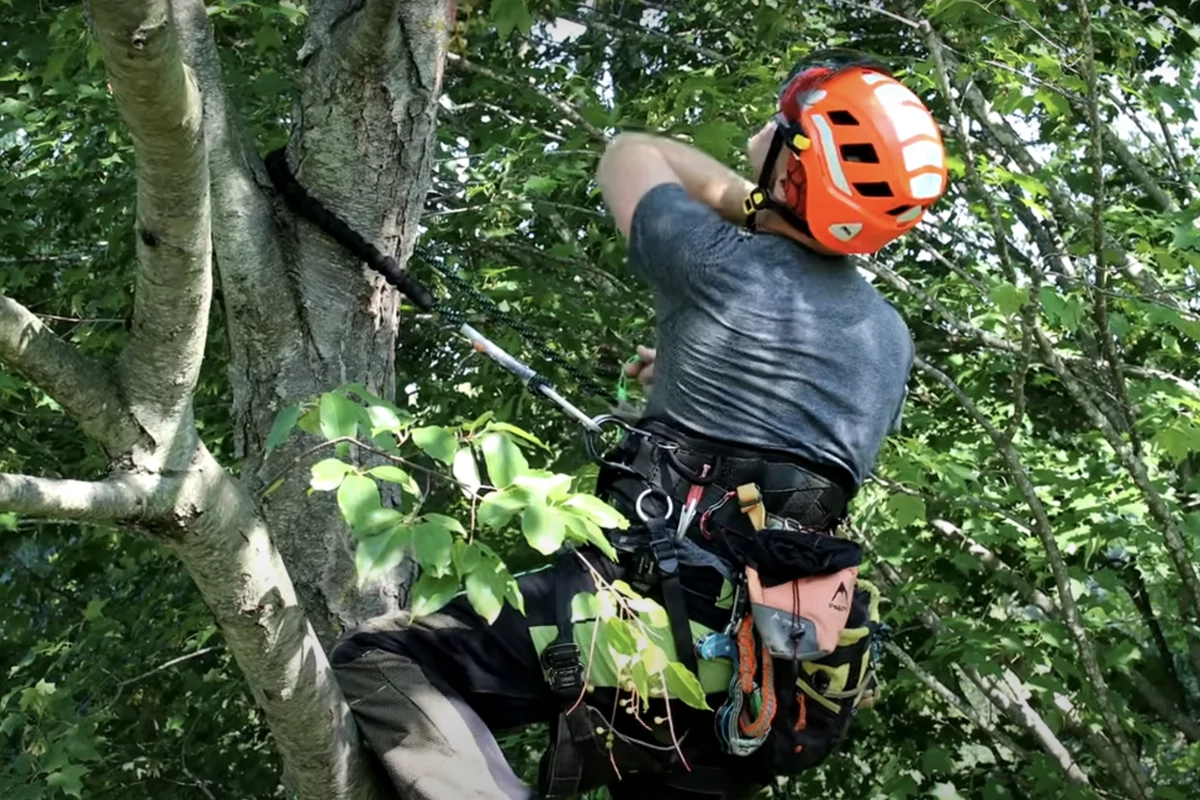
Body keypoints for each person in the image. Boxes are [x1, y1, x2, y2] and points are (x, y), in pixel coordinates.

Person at [329, 48, 947, 800]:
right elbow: (786, 442)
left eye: (778, 126)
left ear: (792, 173)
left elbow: (631, 153)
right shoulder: (885, 336)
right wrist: (692, 360)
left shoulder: (720, 259)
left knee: (387, 661)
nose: (761, 128)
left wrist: (751, 207)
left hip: (637, 609)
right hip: (767, 662)